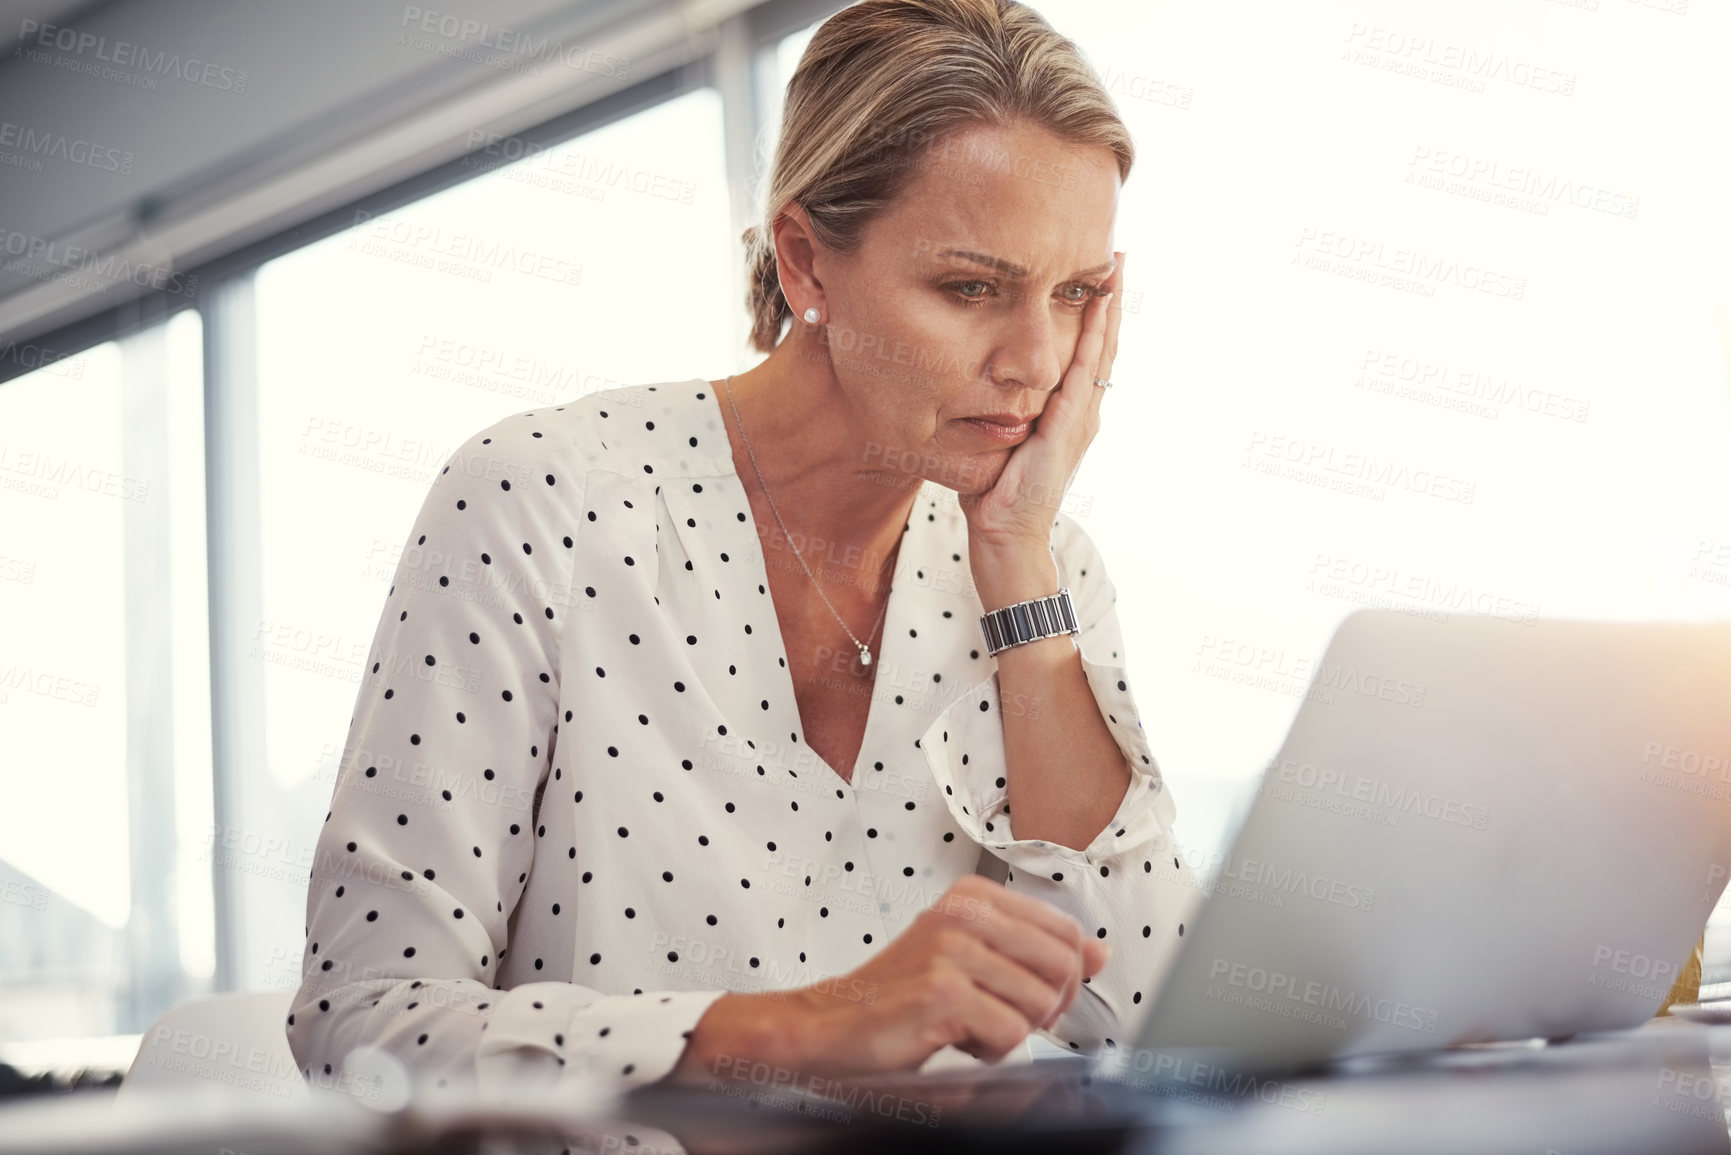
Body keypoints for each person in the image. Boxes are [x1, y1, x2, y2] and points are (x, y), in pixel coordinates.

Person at [286, 0, 1198, 1103]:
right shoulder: (545, 504)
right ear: (806, 262)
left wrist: (1016, 559)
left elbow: (1153, 1021)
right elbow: (364, 1021)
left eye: (1078, 295)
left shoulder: (1041, 570)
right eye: (972, 288)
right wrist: (807, 1029)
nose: (1038, 360)